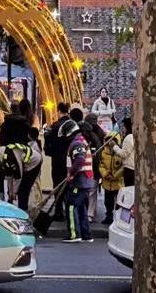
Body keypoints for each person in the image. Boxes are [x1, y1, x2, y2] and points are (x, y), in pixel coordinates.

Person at [44, 102, 76, 235]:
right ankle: (67, 209)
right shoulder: (72, 126)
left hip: (57, 160)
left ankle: (58, 210)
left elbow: (48, 145)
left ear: (58, 111)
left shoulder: (55, 126)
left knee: (57, 184)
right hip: (69, 160)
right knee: (69, 184)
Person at [65, 107, 96, 243]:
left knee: (71, 206)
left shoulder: (77, 143)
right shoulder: (82, 141)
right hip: (87, 181)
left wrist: (71, 173)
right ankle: (86, 235)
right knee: (82, 208)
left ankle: (74, 234)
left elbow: (79, 160)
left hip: (80, 181)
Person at [97, 129, 125, 225]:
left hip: (118, 183)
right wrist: (105, 174)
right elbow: (101, 165)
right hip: (107, 182)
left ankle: (118, 218)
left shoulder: (120, 153)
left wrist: (115, 176)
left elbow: (123, 167)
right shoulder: (103, 153)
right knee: (108, 201)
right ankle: (108, 215)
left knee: (119, 202)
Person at [119, 116, 136, 186]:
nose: (122, 128)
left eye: (123, 126)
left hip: (129, 168)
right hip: (132, 167)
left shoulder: (129, 137)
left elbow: (124, 154)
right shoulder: (133, 136)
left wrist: (115, 147)